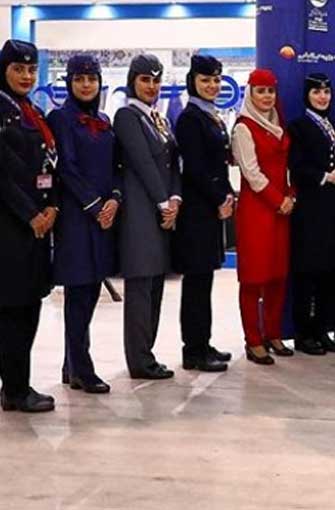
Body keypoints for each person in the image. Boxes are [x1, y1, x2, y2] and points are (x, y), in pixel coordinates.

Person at [48, 54, 120, 395]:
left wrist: (115, 199)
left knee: (91, 291)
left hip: (104, 217)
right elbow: (66, 167)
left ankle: (71, 364)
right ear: (69, 83)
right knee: (79, 292)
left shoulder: (104, 120)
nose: (87, 85)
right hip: (77, 218)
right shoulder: (61, 119)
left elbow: (117, 166)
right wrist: (95, 205)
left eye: (92, 79)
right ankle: (82, 368)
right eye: (79, 79)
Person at [114, 53, 181, 380]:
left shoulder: (160, 119)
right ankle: (139, 360)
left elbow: (174, 164)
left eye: (156, 80)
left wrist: (176, 199)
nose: (151, 86)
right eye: (145, 80)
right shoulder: (127, 117)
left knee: (155, 287)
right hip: (141, 213)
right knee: (140, 288)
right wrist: (163, 203)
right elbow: (143, 163)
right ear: (132, 81)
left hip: (162, 212)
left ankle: (148, 354)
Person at [0, 39, 57, 412]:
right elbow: (2, 175)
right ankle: (16, 390)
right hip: (10, 227)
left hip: (37, 226)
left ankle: (18, 384)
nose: (26, 76)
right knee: (12, 310)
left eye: (31, 69)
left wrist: (52, 206)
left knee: (30, 305)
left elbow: (48, 164)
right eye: (18, 69)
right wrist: (30, 213)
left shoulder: (29, 109)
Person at [173, 54, 234, 373]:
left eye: (216, 80)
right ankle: (193, 350)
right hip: (197, 211)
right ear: (192, 81)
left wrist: (228, 193)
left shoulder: (210, 115)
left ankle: (203, 342)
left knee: (205, 279)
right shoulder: (190, 118)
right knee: (196, 282)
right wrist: (219, 197)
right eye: (205, 80)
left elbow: (217, 164)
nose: (212, 85)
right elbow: (195, 168)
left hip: (210, 209)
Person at [231, 69, 295, 365]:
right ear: (250, 94)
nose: (267, 96)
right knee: (253, 278)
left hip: (282, 210)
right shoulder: (243, 128)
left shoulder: (278, 122)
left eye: (270, 91)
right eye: (260, 91)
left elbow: (287, 167)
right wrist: (278, 200)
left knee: (277, 276)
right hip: (257, 211)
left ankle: (273, 333)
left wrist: (291, 195)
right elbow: (251, 172)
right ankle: (253, 340)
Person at [289, 73, 335, 356]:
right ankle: (304, 334)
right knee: (307, 273)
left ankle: (323, 330)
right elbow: (297, 168)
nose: (322, 97)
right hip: (309, 209)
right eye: (316, 92)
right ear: (307, 96)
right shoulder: (299, 126)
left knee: (327, 272)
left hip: (331, 209)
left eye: (326, 92)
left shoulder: (332, 124)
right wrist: (325, 177)